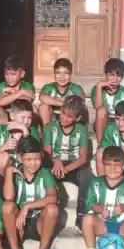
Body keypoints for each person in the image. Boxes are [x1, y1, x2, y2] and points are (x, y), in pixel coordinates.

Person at [1, 137, 60, 249]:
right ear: (20, 158)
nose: (33, 163)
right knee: (7, 207)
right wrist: (9, 172)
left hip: (40, 222)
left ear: (42, 156)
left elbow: (52, 197)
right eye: (28, 159)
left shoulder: (45, 173)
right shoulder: (15, 172)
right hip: (19, 224)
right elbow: (8, 197)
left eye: (36, 159)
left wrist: (28, 206)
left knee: (52, 209)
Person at [42, 95, 92, 233]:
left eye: (69, 117)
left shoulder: (81, 130)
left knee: (86, 175)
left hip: (73, 164)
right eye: (63, 113)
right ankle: (49, 211)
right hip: (54, 162)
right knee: (45, 173)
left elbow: (83, 158)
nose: (64, 118)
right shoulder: (50, 127)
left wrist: (65, 168)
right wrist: (56, 160)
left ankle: (81, 214)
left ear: (77, 118)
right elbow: (47, 153)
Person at [0, 99, 41, 177]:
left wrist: (26, 132)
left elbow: (35, 156)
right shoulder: (0, 130)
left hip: (25, 170)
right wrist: (3, 147)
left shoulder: (32, 131)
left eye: (29, 118)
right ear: (12, 116)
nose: (26, 122)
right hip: (3, 171)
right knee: (3, 156)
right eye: (23, 117)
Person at [91, 58, 124, 143]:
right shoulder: (97, 89)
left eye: (118, 76)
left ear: (122, 77)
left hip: (121, 123)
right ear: (106, 74)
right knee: (101, 111)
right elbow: (98, 107)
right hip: (103, 122)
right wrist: (99, 86)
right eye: (112, 75)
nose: (115, 79)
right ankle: (101, 145)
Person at [38, 58, 85, 127]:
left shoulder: (76, 88)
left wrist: (53, 101)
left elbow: (80, 101)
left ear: (71, 74)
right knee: (44, 106)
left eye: (66, 73)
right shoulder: (49, 87)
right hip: (53, 119)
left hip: (70, 119)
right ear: (54, 74)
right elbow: (42, 97)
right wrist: (64, 103)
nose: (62, 77)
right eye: (58, 73)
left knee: (79, 109)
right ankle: (47, 132)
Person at [0, 55, 36, 125]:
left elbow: (26, 103)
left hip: (22, 118)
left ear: (22, 74)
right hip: (5, 118)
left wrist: (13, 92)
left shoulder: (28, 86)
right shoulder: (2, 86)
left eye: (13, 74)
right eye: (6, 74)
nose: (9, 77)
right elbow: (0, 102)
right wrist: (20, 93)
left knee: (35, 109)